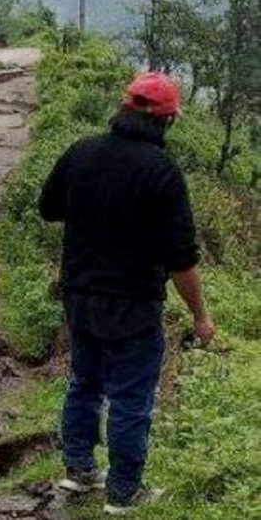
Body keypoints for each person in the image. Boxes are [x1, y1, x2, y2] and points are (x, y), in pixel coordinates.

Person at [39, 73, 216, 516]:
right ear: (167, 120)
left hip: (79, 295)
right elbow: (181, 259)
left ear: (123, 109)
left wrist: (93, 211)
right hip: (133, 304)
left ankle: (78, 471)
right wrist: (200, 316)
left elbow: (48, 207)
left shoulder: (82, 151)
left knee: (84, 383)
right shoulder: (161, 172)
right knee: (131, 398)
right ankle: (122, 492)